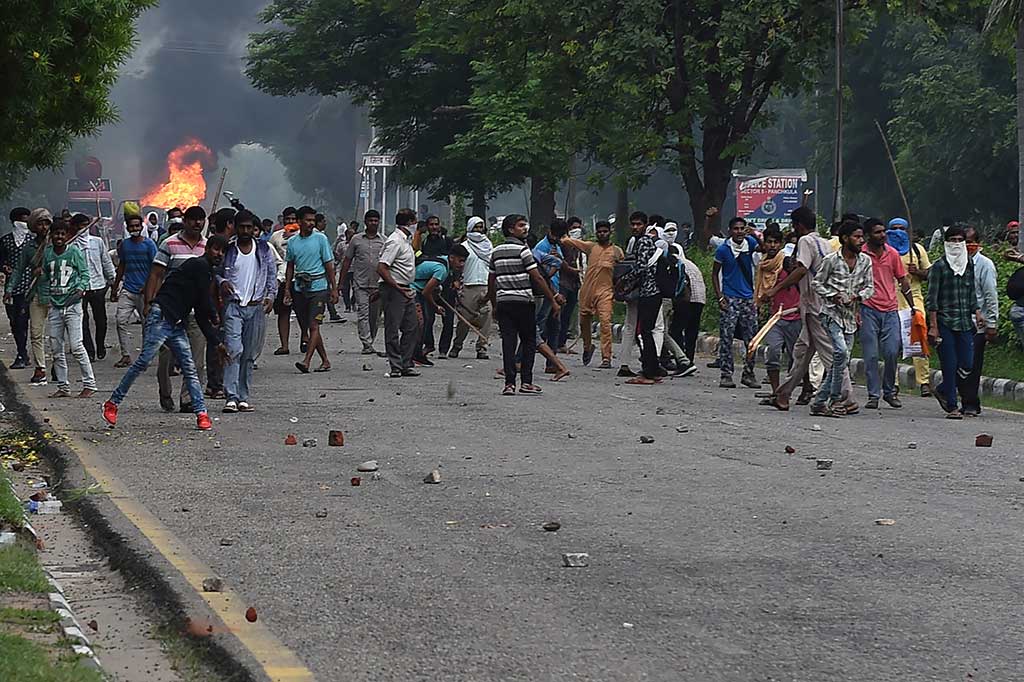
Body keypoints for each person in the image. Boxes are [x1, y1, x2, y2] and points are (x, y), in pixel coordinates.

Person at [103, 236, 229, 431]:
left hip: (177, 321)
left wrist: (215, 341)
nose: (219, 254)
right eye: (216, 249)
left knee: (189, 367)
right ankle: (112, 403)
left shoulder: (205, 273)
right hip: (162, 316)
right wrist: (214, 314)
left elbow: (200, 310)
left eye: (223, 251)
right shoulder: (199, 266)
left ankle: (201, 413)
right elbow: (205, 303)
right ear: (208, 249)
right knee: (143, 362)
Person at [765, 207, 856, 412]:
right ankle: (783, 394)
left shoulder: (805, 241)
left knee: (831, 354)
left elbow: (802, 269)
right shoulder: (825, 243)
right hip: (818, 306)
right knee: (802, 353)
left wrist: (777, 288)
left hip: (817, 308)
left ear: (799, 225)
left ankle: (847, 397)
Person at [487, 214, 562, 395]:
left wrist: (495, 304)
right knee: (529, 341)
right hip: (523, 302)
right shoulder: (523, 251)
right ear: (511, 229)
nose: (525, 228)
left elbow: (491, 280)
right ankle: (526, 382)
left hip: (504, 302)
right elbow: (536, 276)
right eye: (521, 226)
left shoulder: (496, 251)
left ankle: (509, 384)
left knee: (509, 342)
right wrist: (552, 299)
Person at [146, 205, 208, 412]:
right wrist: (149, 303)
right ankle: (165, 393)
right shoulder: (169, 244)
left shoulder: (207, 247)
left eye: (201, 220)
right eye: (193, 219)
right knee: (165, 356)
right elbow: (156, 274)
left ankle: (187, 399)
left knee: (196, 358)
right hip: (169, 310)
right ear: (185, 221)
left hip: (195, 311)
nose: (197, 223)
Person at [809, 221, 874, 417]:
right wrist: (833, 295)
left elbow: (870, 288)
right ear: (845, 238)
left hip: (850, 317)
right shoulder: (831, 260)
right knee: (841, 352)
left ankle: (819, 401)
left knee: (841, 360)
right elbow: (816, 284)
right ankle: (836, 400)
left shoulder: (865, 261)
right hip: (831, 313)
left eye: (862, 237)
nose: (861, 241)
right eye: (856, 236)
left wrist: (857, 297)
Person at [217, 210, 277, 412]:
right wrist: (222, 282)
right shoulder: (228, 249)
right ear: (235, 227)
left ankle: (243, 396)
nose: (245, 231)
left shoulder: (264, 249)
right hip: (233, 306)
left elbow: (271, 275)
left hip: (256, 307)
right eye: (241, 227)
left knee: (249, 354)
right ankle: (231, 397)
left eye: (249, 227)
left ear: (254, 229)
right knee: (234, 350)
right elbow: (215, 272)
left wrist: (270, 297)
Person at [860, 218, 916, 410]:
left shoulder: (892, 254)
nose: (883, 235)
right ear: (868, 235)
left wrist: (913, 306)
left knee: (892, 352)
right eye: (877, 232)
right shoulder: (861, 254)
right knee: (871, 355)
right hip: (867, 309)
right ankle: (873, 395)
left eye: (883, 231)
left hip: (890, 310)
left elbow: (903, 280)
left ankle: (889, 391)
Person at [927, 224, 981, 419]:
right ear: (946, 243)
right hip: (944, 321)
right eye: (953, 240)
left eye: (960, 240)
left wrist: (977, 312)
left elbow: (971, 292)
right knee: (949, 364)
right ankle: (952, 405)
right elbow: (932, 299)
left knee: (967, 363)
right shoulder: (939, 267)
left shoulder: (969, 265)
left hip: (965, 321)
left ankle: (943, 389)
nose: (957, 244)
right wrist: (933, 326)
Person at [38, 220, 97, 398]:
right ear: (52, 235)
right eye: (56, 234)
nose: (59, 237)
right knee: (55, 347)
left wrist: (80, 289)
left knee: (77, 345)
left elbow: (85, 273)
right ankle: (63, 386)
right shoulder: (47, 253)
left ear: (67, 235)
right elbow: (47, 275)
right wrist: (43, 284)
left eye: (63, 234)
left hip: (72, 305)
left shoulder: (74, 252)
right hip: (55, 306)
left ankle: (89, 384)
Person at [561, 220, 623, 368]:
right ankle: (587, 347)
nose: (602, 234)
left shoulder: (617, 252)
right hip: (587, 291)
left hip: (606, 292)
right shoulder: (591, 247)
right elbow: (571, 242)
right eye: (599, 231)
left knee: (605, 323)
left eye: (605, 231)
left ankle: (606, 357)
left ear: (610, 233)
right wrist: (561, 236)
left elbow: (622, 272)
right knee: (584, 322)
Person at [283, 206, 337, 373]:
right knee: (309, 326)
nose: (311, 223)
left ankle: (306, 361)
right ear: (299, 221)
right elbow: (290, 266)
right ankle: (325, 360)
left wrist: (334, 288)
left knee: (314, 325)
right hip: (300, 288)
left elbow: (329, 265)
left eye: (313, 220)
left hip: (319, 287)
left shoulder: (321, 239)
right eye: (307, 220)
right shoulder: (292, 242)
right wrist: (287, 289)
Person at [712, 217, 760, 389]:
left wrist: (754, 233)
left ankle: (749, 373)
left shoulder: (751, 243)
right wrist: (720, 297)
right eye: (736, 229)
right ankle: (726, 374)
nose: (739, 232)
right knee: (727, 337)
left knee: (752, 338)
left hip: (748, 297)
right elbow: (715, 274)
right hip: (730, 297)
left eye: (742, 228)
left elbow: (764, 248)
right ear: (730, 230)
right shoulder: (723, 250)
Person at [887, 218, 933, 397]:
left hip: (914, 299)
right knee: (894, 343)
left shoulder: (917, 250)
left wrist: (917, 272)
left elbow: (928, 273)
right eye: (894, 229)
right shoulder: (886, 251)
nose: (898, 232)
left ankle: (924, 381)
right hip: (892, 300)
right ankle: (894, 383)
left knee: (919, 338)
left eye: (902, 229)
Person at [6, 209, 53, 384]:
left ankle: (58, 364)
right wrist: (10, 288)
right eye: (40, 223)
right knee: (36, 333)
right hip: (36, 293)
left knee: (57, 335)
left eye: (46, 223)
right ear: (33, 226)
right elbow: (18, 270)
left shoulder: (57, 244)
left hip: (57, 294)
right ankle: (40, 368)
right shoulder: (29, 248)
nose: (43, 227)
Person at [754, 224, 801, 398]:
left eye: (776, 242)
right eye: (769, 242)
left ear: (781, 244)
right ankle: (776, 392)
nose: (772, 245)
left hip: (794, 315)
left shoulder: (787, 263)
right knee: (773, 351)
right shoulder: (763, 265)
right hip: (774, 316)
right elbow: (759, 290)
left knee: (797, 358)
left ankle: (804, 390)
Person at [959, 226, 998, 417]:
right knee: (959, 362)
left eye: (969, 242)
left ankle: (971, 402)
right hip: (958, 321)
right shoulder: (955, 264)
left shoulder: (985, 265)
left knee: (973, 364)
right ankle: (965, 399)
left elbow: (990, 295)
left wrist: (992, 324)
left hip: (978, 324)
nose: (966, 246)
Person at [111, 212, 157, 368]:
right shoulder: (124, 245)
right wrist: (115, 286)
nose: (135, 228)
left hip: (146, 292)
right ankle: (126, 355)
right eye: (132, 226)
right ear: (127, 228)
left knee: (147, 325)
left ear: (142, 226)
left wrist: (150, 287)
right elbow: (122, 266)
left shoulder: (149, 245)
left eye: (137, 225)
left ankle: (145, 356)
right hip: (128, 290)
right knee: (120, 321)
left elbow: (156, 268)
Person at [378, 208, 421, 377]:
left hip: (406, 288)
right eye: (414, 222)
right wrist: (395, 287)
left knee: (412, 326)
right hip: (395, 289)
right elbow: (382, 267)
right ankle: (395, 365)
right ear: (409, 223)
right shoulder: (395, 241)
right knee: (393, 327)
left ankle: (405, 362)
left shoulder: (406, 241)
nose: (416, 225)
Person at [339, 210, 385, 355]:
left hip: (378, 284)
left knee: (375, 316)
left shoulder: (384, 240)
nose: (373, 223)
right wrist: (340, 282)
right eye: (370, 220)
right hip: (360, 283)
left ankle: (370, 338)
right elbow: (347, 261)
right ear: (365, 222)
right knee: (363, 314)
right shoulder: (356, 240)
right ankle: (366, 343)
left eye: (375, 220)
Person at [412, 247, 468, 364]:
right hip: (414, 290)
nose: (462, 264)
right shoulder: (442, 269)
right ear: (451, 258)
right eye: (460, 261)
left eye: (464, 261)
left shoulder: (443, 261)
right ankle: (413, 354)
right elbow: (426, 292)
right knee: (422, 322)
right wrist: (435, 306)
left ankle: (417, 354)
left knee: (425, 321)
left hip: (418, 289)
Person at [450, 216, 493, 360]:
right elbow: (457, 266)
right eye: (476, 227)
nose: (479, 230)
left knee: (487, 318)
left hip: (486, 285)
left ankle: (482, 348)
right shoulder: (465, 246)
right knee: (465, 319)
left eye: (481, 227)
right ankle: (457, 346)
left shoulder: (488, 246)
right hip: (469, 286)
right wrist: (456, 280)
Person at [74, 214, 116, 361]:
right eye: (80, 226)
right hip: (80, 289)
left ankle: (100, 345)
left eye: (85, 225)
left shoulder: (97, 242)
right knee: (82, 320)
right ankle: (89, 350)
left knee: (101, 320)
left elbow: (106, 262)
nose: (83, 228)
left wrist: (113, 281)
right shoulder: (71, 245)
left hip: (98, 286)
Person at [0, 207, 33, 369]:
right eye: (22, 220)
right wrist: (4, 267)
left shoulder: (33, 241)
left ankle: (21, 354)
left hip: (29, 287)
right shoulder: (5, 241)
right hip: (11, 288)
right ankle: (23, 352)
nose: (25, 223)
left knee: (22, 321)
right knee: (14, 322)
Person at [269, 206, 301, 354]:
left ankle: (305, 338)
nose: (290, 221)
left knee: (303, 312)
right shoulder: (276, 236)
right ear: (283, 220)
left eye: (293, 219)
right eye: (288, 219)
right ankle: (284, 345)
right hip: (282, 279)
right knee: (283, 312)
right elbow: (271, 257)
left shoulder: (305, 235)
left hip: (301, 278)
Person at [557, 216, 584, 352]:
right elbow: (559, 261)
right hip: (563, 282)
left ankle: (561, 343)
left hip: (575, 283)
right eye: (573, 228)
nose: (576, 230)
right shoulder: (562, 244)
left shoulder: (580, 245)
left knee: (568, 314)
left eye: (578, 228)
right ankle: (551, 341)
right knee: (558, 312)